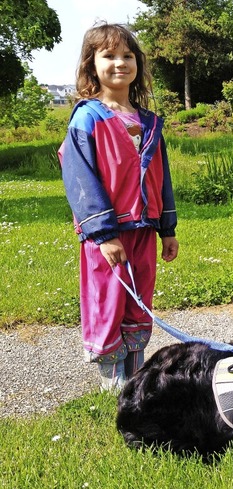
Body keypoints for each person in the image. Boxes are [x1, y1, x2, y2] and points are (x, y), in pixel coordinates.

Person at [58, 23, 179, 392]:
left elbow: (162, 178)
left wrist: (168, 228)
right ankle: (113, 383)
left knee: (139, 301)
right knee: (109, 301)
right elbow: (79, 178)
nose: (119, 63)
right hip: (109, 235)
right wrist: (103, 234)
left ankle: (135, 377)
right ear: (91, 64)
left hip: (144, 228)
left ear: (137, 64)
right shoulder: (87, 118)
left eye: (127, 55)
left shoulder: (149, 122)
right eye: (108, 55)